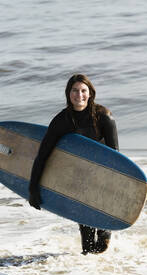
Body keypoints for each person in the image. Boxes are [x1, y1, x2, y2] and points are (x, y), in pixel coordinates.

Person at [29, 74, 119, 255]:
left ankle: (106, 272)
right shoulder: (61, 121)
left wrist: (115, 189)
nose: (79, 95)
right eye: (75, 90)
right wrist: (33, 189)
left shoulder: (104, 117)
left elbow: (115, 157)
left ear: (90, 93)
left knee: (101, 245)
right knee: (87, 247)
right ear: (68, 94)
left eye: (83, 90)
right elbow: (43, 156)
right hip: (78, 179)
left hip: (102, 177)